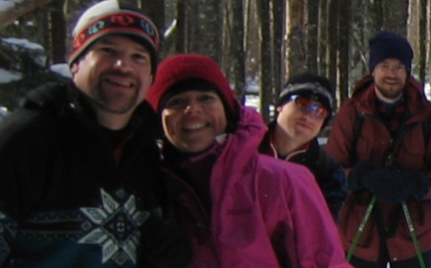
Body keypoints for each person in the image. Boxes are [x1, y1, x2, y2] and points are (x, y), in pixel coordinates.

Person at [0, 0, 187, 267]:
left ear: (151, 75)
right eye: (108, 50)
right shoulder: (22, 142)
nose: (123, 65)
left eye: (139, 57)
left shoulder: (151, 154)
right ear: (75, 62)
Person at [147, 54, 350, 267]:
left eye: (206, 98)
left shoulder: (286, 180)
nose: (193, 109)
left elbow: (324, 259)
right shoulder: (147, 187)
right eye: (176, 101)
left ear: (226, 109)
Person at [325, 31, 431, 268]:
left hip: (412, 233)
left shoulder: (426, 114)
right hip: (360, 234)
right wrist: (362, 176)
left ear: (407, 72)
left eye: (399, 67)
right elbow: (329, 173)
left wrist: (417, 185)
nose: (391, 74)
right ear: (373, 69)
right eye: (385, 65)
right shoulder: (353, 112)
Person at [260, 73, 347, 213]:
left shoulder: (328, 172)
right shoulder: (246, 149)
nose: (308, 117)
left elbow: (321, 229)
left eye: (320, 111)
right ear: (281, 106)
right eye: (302, 104)